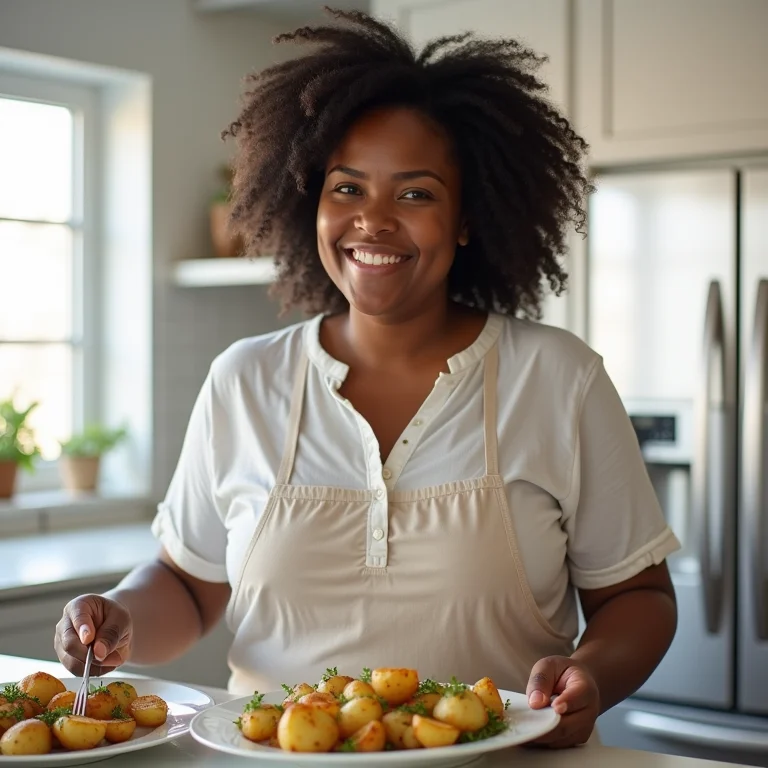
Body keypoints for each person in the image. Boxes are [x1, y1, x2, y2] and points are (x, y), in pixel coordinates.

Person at [54, 8, 680, 748]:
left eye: (414, 193)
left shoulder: (558, 378)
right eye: (347, 189)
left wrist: (591, 674)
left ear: (468, 218)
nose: (373, 222)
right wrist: (119, 615)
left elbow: (637, 597)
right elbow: (188, 584)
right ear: (309, 202)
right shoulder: (244, 380)